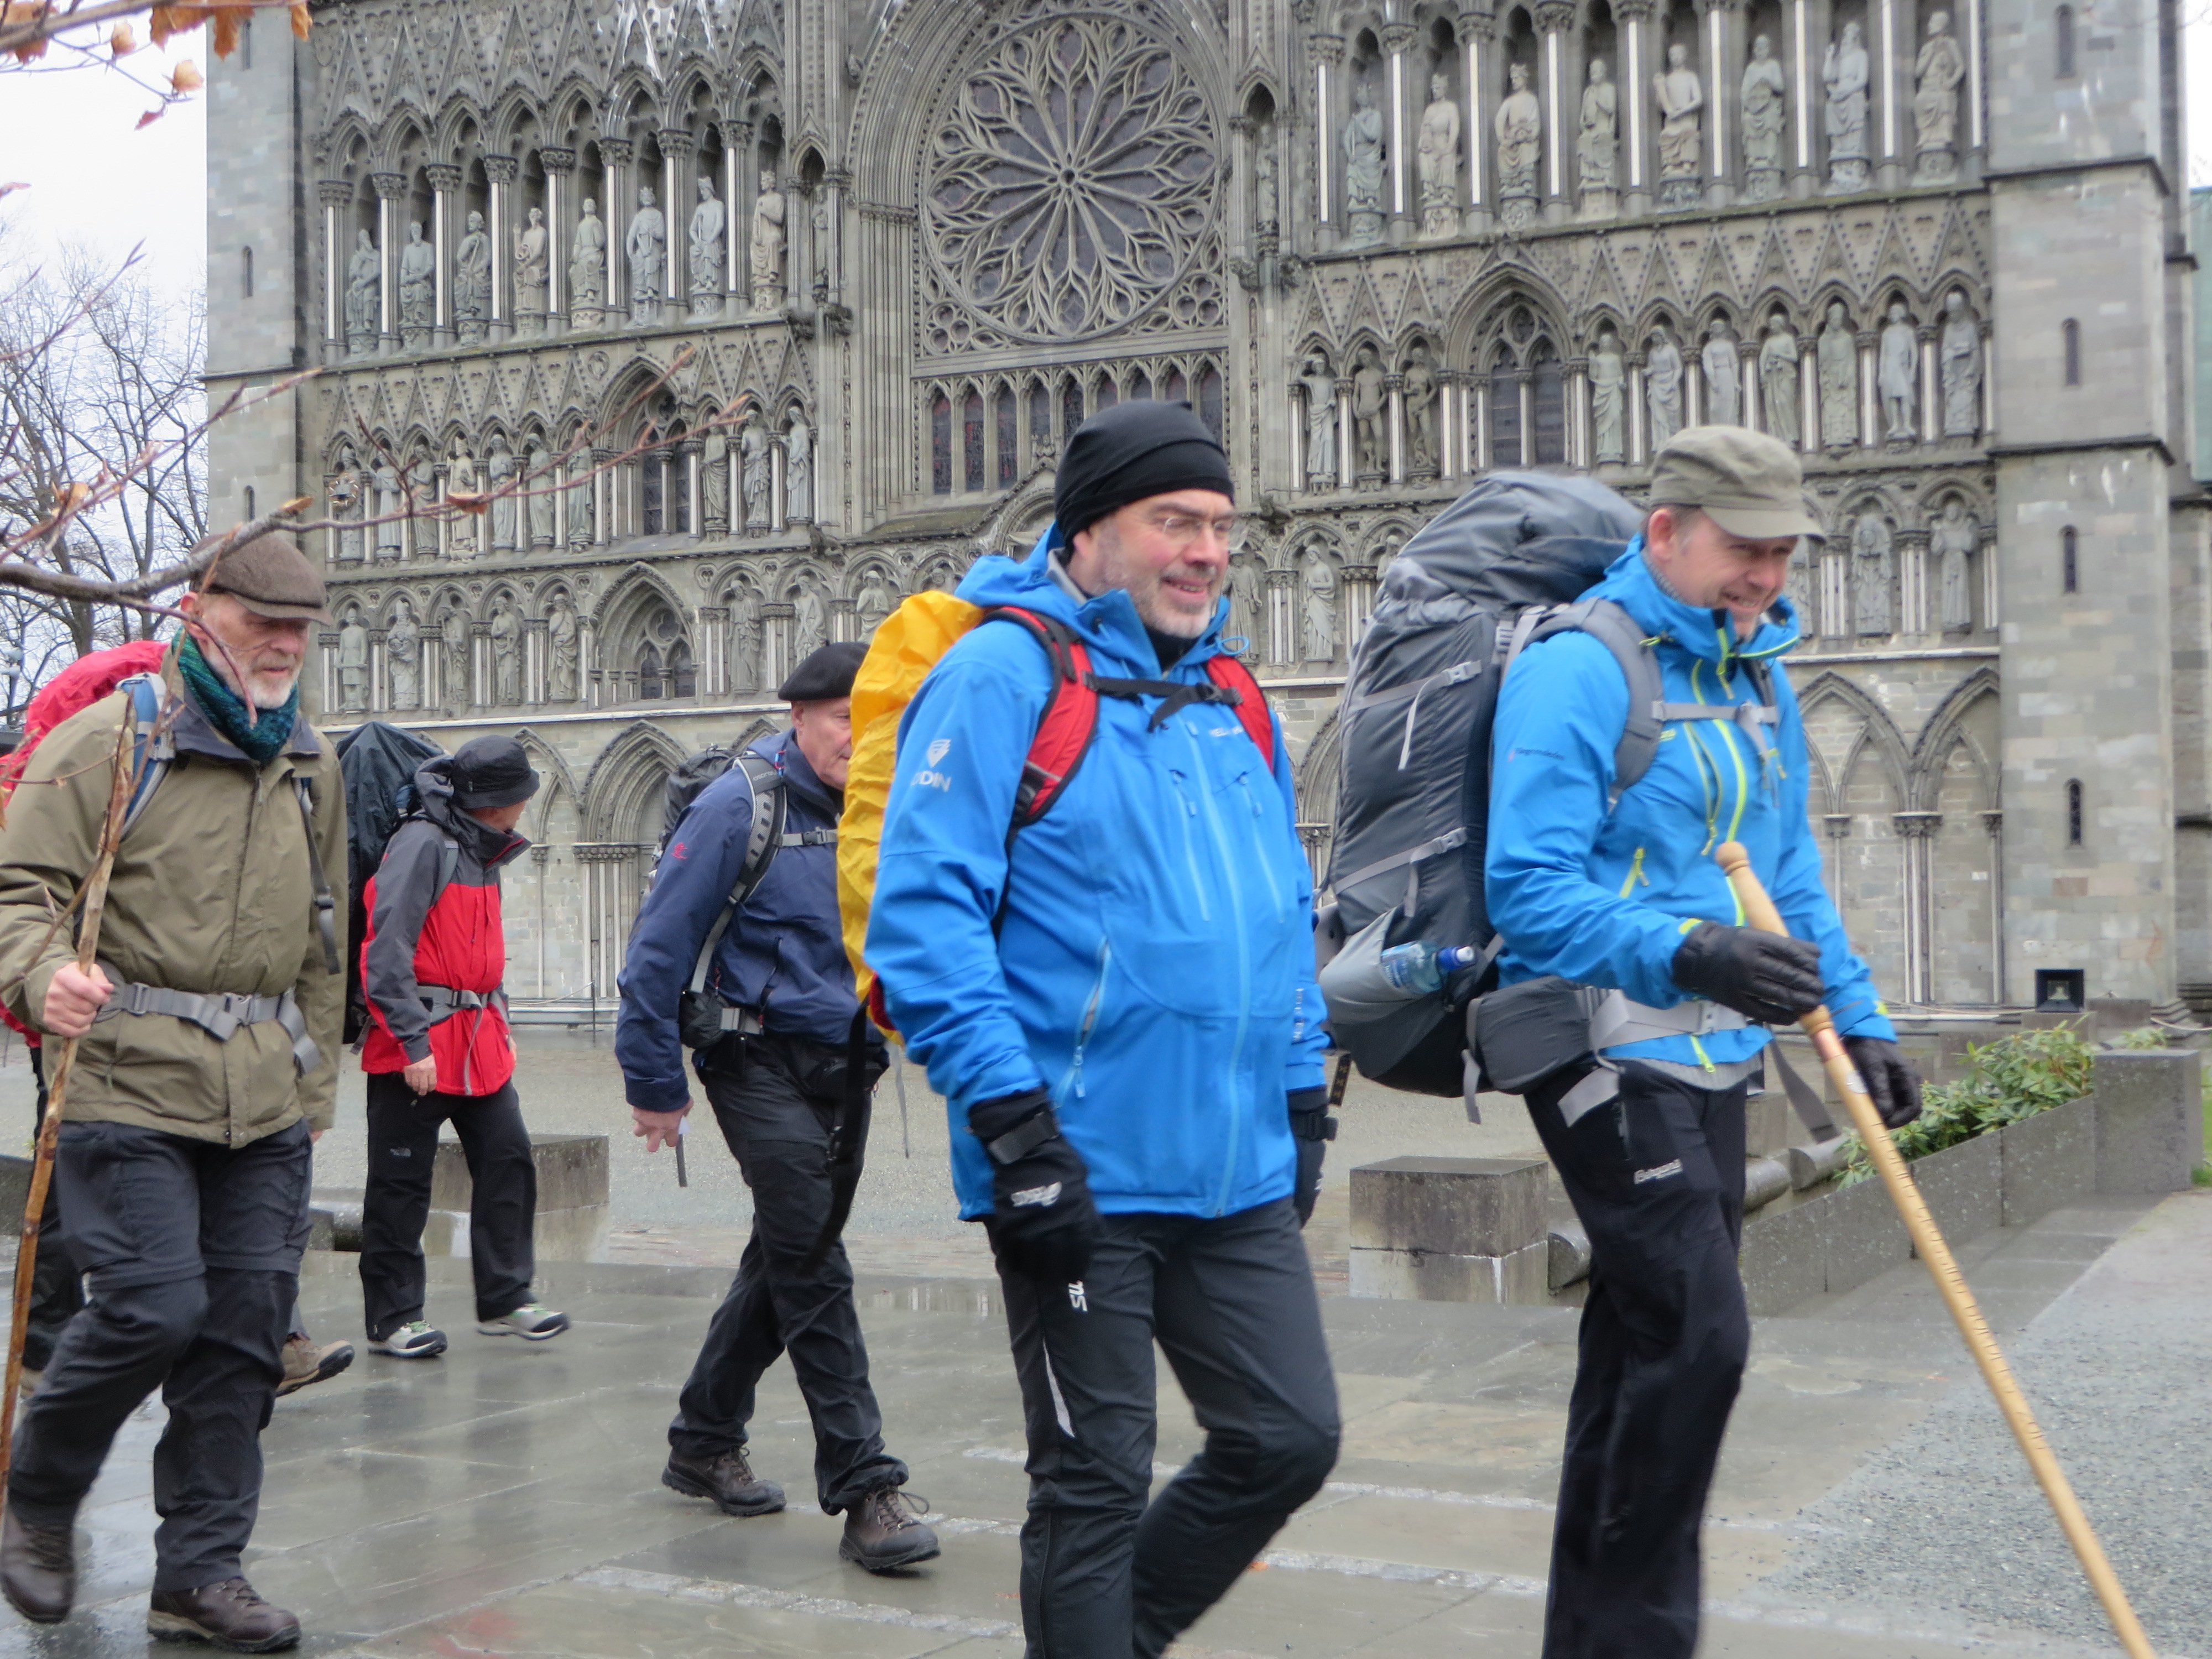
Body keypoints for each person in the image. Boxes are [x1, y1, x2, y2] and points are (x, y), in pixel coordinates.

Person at [866, 400, 1340, 1659]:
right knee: (1091, 1479)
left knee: (1289, 1434)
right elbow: (923, 919)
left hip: (1234, 1158)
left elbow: (1279, 910)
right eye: (1171, 520)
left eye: (1220, 526)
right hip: (1076, 1168)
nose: (1203, 550)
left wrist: (1301, 1088)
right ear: (1089, 531)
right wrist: (1014, 1125)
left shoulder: (1235, 696)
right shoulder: (999, 672)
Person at [1486, 426, 1922, 1659]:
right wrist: (1688, 948)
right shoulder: (1579, 668)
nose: (1765, 574)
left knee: (1637, 1342)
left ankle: (1588, 1641)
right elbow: (1524, 890)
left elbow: (1784, 871)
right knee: (1701, 1335)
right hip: (1593, 1046)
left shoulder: (1753, 675)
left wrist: (1860, 1018)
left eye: (1782, 552)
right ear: (1665, 530)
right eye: (1744, 547)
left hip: (1713, 1055)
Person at [0, 535, 349, 1651]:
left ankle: (198, 1573)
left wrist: (314, 1087)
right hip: (123, 1078)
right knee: (157, 1307)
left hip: (262, 1097)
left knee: (245, 1335)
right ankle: (37, 1497)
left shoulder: (311, 763)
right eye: (265, 625)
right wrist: (42, 972)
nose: (285, 647)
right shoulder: (110, 743)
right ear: (202, 613)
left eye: (302, 630)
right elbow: (18, 889)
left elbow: (324, 936)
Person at [617, 643, 937, 1574]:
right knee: (814, 1256)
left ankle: (703, 1437)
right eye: (844, 717)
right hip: (749, 1055)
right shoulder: (736, 807)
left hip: (848, 1061)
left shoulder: (888, 807)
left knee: (784, 1256)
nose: (859, 736)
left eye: (875, 717)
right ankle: (866, 1485)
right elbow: (655, 950)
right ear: (797, 716)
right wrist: (654, 1084)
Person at [357, 736, 568, 1358]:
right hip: (417, 1045)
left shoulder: (481, 851)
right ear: (497, 801)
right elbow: (386, 946)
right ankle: (394, 1317)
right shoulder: (423, 843)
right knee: (400, 1185)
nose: (526, 805)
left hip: (478, 1043)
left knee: (509, 1160)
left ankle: (506, 1296)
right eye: (521, 796)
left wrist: (499, 1023)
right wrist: (411, 1040)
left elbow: (483, 955)